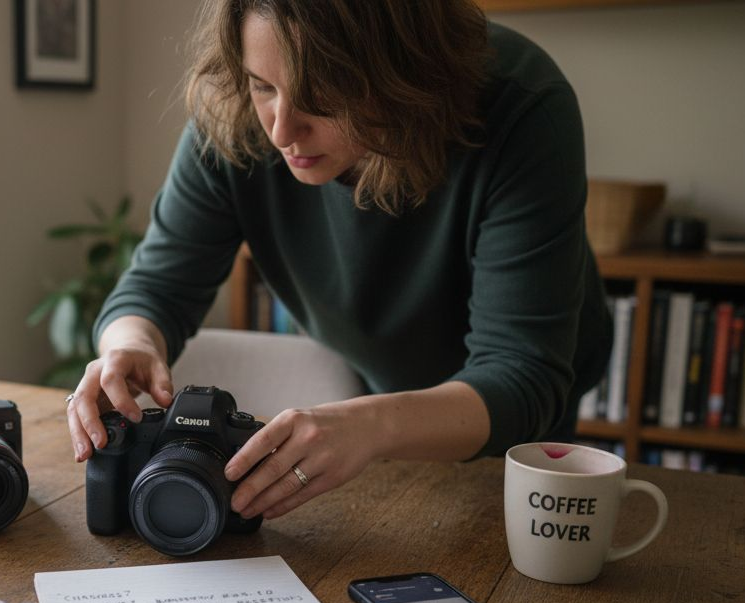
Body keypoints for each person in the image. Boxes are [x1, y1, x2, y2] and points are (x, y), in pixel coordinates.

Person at [65, 0, 612, 524]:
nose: (280, 131)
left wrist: (371, 424)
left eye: (321, 95)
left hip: (510, 418)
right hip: (385, 392)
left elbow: (522, 375)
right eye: (263, 86)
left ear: (405, 73)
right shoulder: (234, 118)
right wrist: (130, 343)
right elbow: (157, 286)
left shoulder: (522, 106)